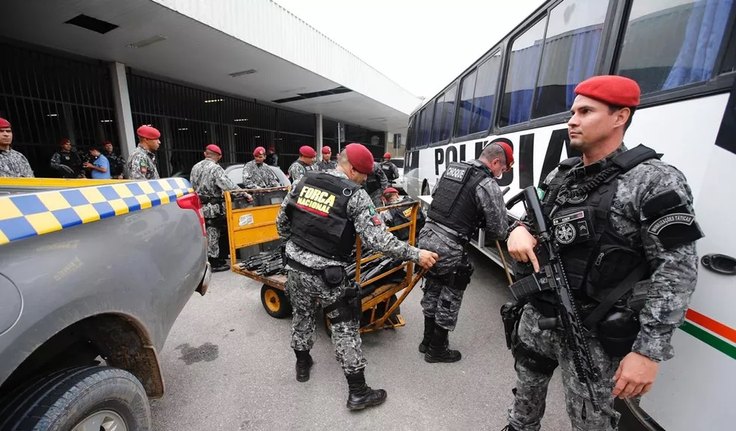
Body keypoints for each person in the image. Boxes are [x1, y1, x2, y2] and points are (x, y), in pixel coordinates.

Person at [504, 75, 703, 431]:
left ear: (620, 116)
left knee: (592, 420)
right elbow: (537, 226)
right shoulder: (562, 175)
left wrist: (647, 351)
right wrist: (517, 230)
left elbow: (676, 272)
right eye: (572, 111)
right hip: (539, 315)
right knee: (525, 396)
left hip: (592, 331)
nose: (572, 120)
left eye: (585, 111)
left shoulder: (653, 180)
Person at [276, 143, 439, 411]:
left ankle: (302, 365)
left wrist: (299, 247)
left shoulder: (304, 180)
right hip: (327, 274)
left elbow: (282, 222)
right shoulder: (355, 195)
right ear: (351, 168)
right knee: (345, 327)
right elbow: (378, 240)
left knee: (302, 315)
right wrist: (415, 254)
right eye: (363, 174)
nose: (365, 179)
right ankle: (358, 391)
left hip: (294, 266)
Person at [418, 142, 512, 363]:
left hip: (426, 235)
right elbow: (499, 230)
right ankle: (437, 349)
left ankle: (426, 340)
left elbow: (440, 197)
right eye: (503, 169)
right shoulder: (487, 183)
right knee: (452, 290)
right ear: (496, 162)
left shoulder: (453, 169)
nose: (501, 174)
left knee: (433, 285)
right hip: (450, 244)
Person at [190, 144, 249, 272]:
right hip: (212, 206)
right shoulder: (216, 169)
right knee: (213, 232)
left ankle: (205, 259)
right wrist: (244, 193)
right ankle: (214, 262)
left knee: (203, 233)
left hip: (199, 206)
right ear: (219, 156)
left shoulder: (195, 167)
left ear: (205, 154)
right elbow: (229, 186)